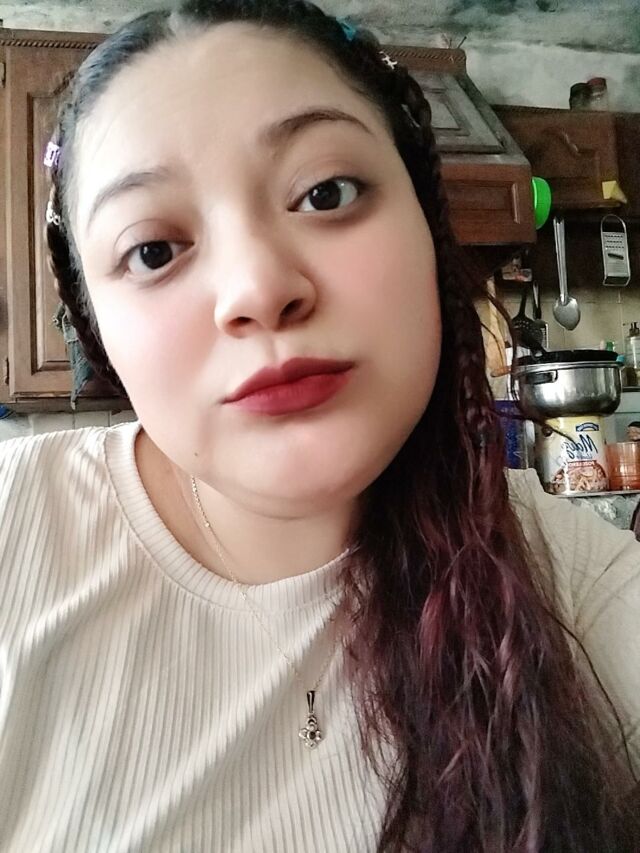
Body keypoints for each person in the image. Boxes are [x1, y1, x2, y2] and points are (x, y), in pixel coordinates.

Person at [0, 1, 638, 850]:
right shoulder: (15, 532)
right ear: (94, 326)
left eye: (325, 193)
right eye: (153, 250)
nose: (260, 289)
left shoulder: (586, 590)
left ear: (427, 226)